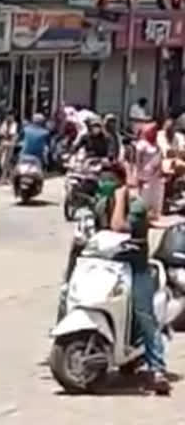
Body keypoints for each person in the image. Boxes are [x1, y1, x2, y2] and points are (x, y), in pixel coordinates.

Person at [105, 163, 170, 395]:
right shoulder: (102, 201)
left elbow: (118, 226)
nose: (104, 184)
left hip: (136, 266)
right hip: (109, 264)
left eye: (109, 179)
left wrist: (121, 197)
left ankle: (157, 368)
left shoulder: (135, 204)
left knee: (144, 313)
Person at [133, 123, 164, 222]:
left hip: (156, 175)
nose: (154, 133)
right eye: (152, 131)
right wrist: (138, 175)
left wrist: (159, 169)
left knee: (156, 195)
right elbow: (137, 161)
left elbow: (160, 158)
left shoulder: (156, 144)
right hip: (145, 174)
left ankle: (155, 214)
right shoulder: (142, 144)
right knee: (145, 196)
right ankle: (144, 215)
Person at [0, 110, 18, 182]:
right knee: (2, 162)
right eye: (8, 115)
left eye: (11, 116)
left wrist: (6, 136)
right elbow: (0, 133)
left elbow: (11, 135)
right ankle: (12, 175)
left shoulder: (14, 124)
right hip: (3, 143)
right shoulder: (4, 123)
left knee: (6, 162)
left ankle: (3, 179)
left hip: (10, 144)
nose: (9, 117)